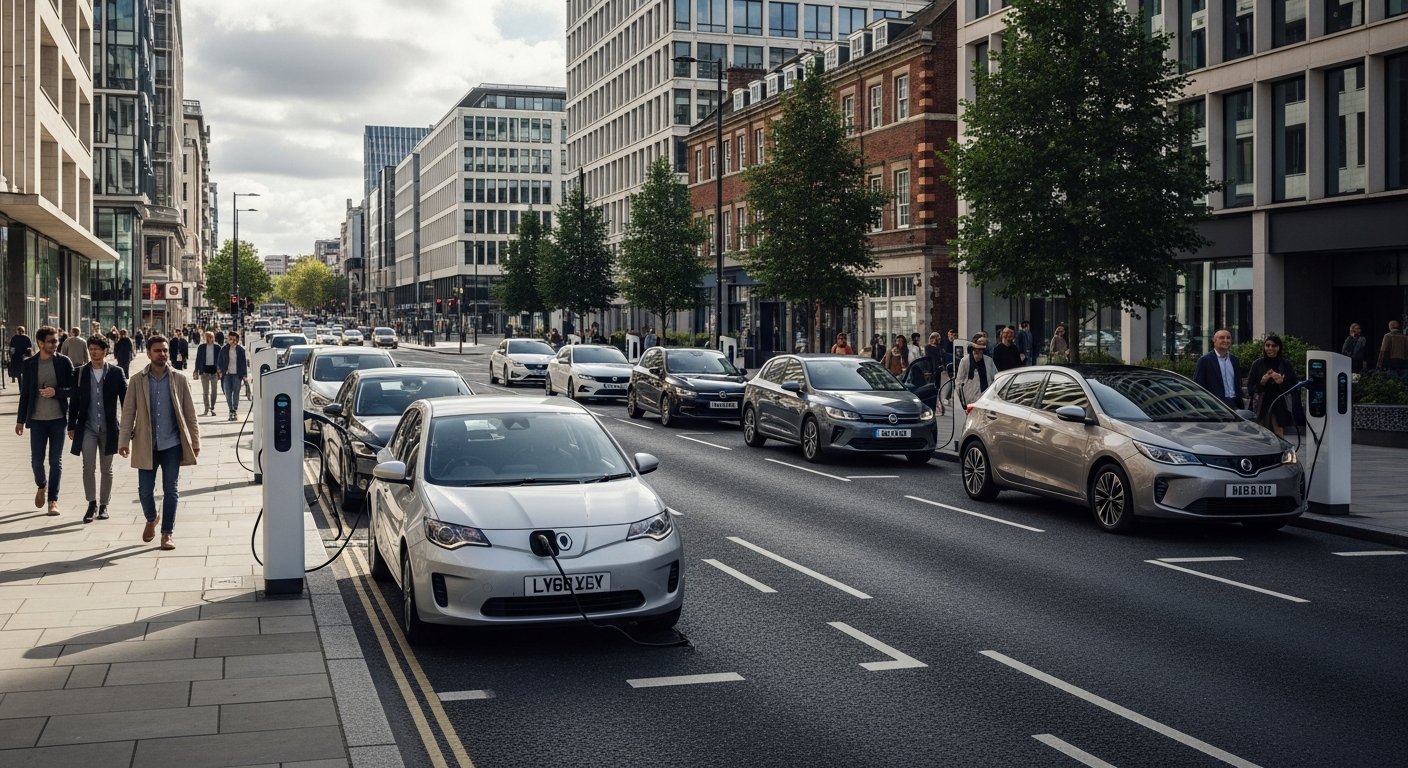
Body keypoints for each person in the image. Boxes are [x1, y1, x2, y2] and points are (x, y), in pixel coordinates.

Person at [118, 335, 199, 550]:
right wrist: (123, 441)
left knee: (170, 490)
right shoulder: (137, 380)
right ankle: (152, 518)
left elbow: (190, 414)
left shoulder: (179, 379)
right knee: (145, 491)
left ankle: (167, 533)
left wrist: (195, 441)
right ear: (148, 353)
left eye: (165, 350)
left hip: (172, 444)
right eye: (157, 351)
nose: (162, 354)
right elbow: (127, 413)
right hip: (146, 445)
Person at [15, 326, 76, 516]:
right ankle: (42, 486)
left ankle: (53, 500)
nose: (55, 344)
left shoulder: (63, 362)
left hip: (58, 419)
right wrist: (20, 420)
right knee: (36, 461)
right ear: (40, 343)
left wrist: (56, 392)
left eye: (56, 340)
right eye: (51, 341)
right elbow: (25, 393)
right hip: (37, 420)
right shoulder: (30, 364)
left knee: (55, 461)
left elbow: (74, 390)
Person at [67, 335, 127, 523]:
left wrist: (127, 428)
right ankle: (91, 504)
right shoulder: (80, 372)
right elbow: (74, 401)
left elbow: (126, 402)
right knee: (88, 467)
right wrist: (71, 425)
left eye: (96, 349)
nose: (93, 352)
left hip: (109, 428)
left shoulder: (116, 372)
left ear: (105, 351)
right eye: (90, 349)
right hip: (88, 427)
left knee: (106, 469)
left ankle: (103, 505)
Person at [1246, 335, 1298, 437]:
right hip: (1262, 404)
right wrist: (1262, 382)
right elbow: (1251, 388)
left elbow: (1293, 386)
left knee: (1278, 432)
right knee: (1260, 433)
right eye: (1267, 345)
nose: (1270, 349)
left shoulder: (1285, 364)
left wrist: (1281, 382)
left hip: (1279, 403)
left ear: (1278, 347)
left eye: (1273, 346)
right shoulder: (1258, 364)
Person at [1194, 329, 1244, 409]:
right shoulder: (1205, 360)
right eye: (1222, 337)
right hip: (1214, 406)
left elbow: (1238, 383)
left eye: (1228, 338)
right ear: (1214, 340)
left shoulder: (1234, 360)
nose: (1226, 340)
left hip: (1234, 404)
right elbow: (1198, 385)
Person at [955, 335, 997, 409]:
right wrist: (962, 402)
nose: (977, 351)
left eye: (980, 349)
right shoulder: (965, 361)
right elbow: (959, 382)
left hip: (986, 400)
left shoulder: (988, 361)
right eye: (975, 348)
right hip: (971, 401)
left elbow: (996, 378)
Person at [217, 332, 249, 421]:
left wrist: (244, 375)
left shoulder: (240, 350)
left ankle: (234, 409)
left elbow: (243, 364)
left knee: (236, 393)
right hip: (226, 374)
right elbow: (219, 361)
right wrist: (220, 371)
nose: (231, 341)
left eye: (233, 339)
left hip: (237, 374)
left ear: (237, 340)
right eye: (229, 338)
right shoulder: (224, 349)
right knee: (227, 393)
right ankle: (230, 409)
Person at [195, 331, 221, 416]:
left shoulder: (217, 347)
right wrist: (196, 370)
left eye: (210, 337)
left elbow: (221, 360)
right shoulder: (201, 347)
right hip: (204, 371)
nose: (208, 339)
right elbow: (198, 359)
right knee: (205, 391)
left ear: (213, 338)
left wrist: (220, 370)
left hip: (214, 372)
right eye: (206, 337)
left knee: (214, 391)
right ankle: (206, 409)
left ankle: (212, 407)